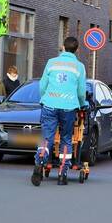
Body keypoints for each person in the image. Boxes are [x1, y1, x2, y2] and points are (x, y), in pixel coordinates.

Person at [33, 36, 87, 186]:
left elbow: (42, 85)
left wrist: (45, 98)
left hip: (49, 104)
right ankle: (62, 173)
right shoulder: (79, 67)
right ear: (77, 50)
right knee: (66, 139)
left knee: (47, 138)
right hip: (68, 107)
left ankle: (40, 161)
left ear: (63, 47)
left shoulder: (51, 62)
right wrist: (82, 104)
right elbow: (81, 91)